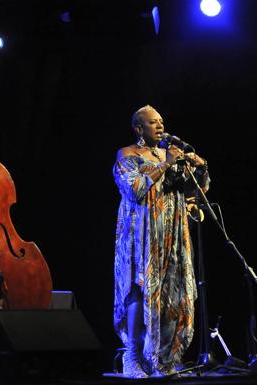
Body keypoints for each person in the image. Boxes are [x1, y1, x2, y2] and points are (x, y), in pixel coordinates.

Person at [113, 105, 210, 378]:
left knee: (170, 293)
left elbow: (195, 190)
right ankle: (131, 358)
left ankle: (161, 359)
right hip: (140, 233)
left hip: (171, 233)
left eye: (161, 122)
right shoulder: (127, 154)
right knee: (138, 289)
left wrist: (200, 167)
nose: (160, 126)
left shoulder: (171, 154)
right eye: (153, 123)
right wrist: (167, 163)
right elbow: (135, 190)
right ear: (138, 128)